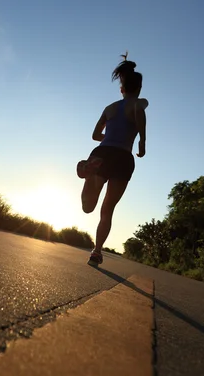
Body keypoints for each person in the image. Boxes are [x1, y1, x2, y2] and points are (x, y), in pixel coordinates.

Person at [77, 52, 148, 267]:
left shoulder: (109, 108)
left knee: (88, 207)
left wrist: (107, 138)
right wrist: (142, 142)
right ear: (139, 88)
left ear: (121, 88)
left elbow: (94, 135)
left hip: (102, 153)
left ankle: (90, 175)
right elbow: (139, 112)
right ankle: (97, 252)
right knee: (107, 209)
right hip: (123, 158)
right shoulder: (140, 103)